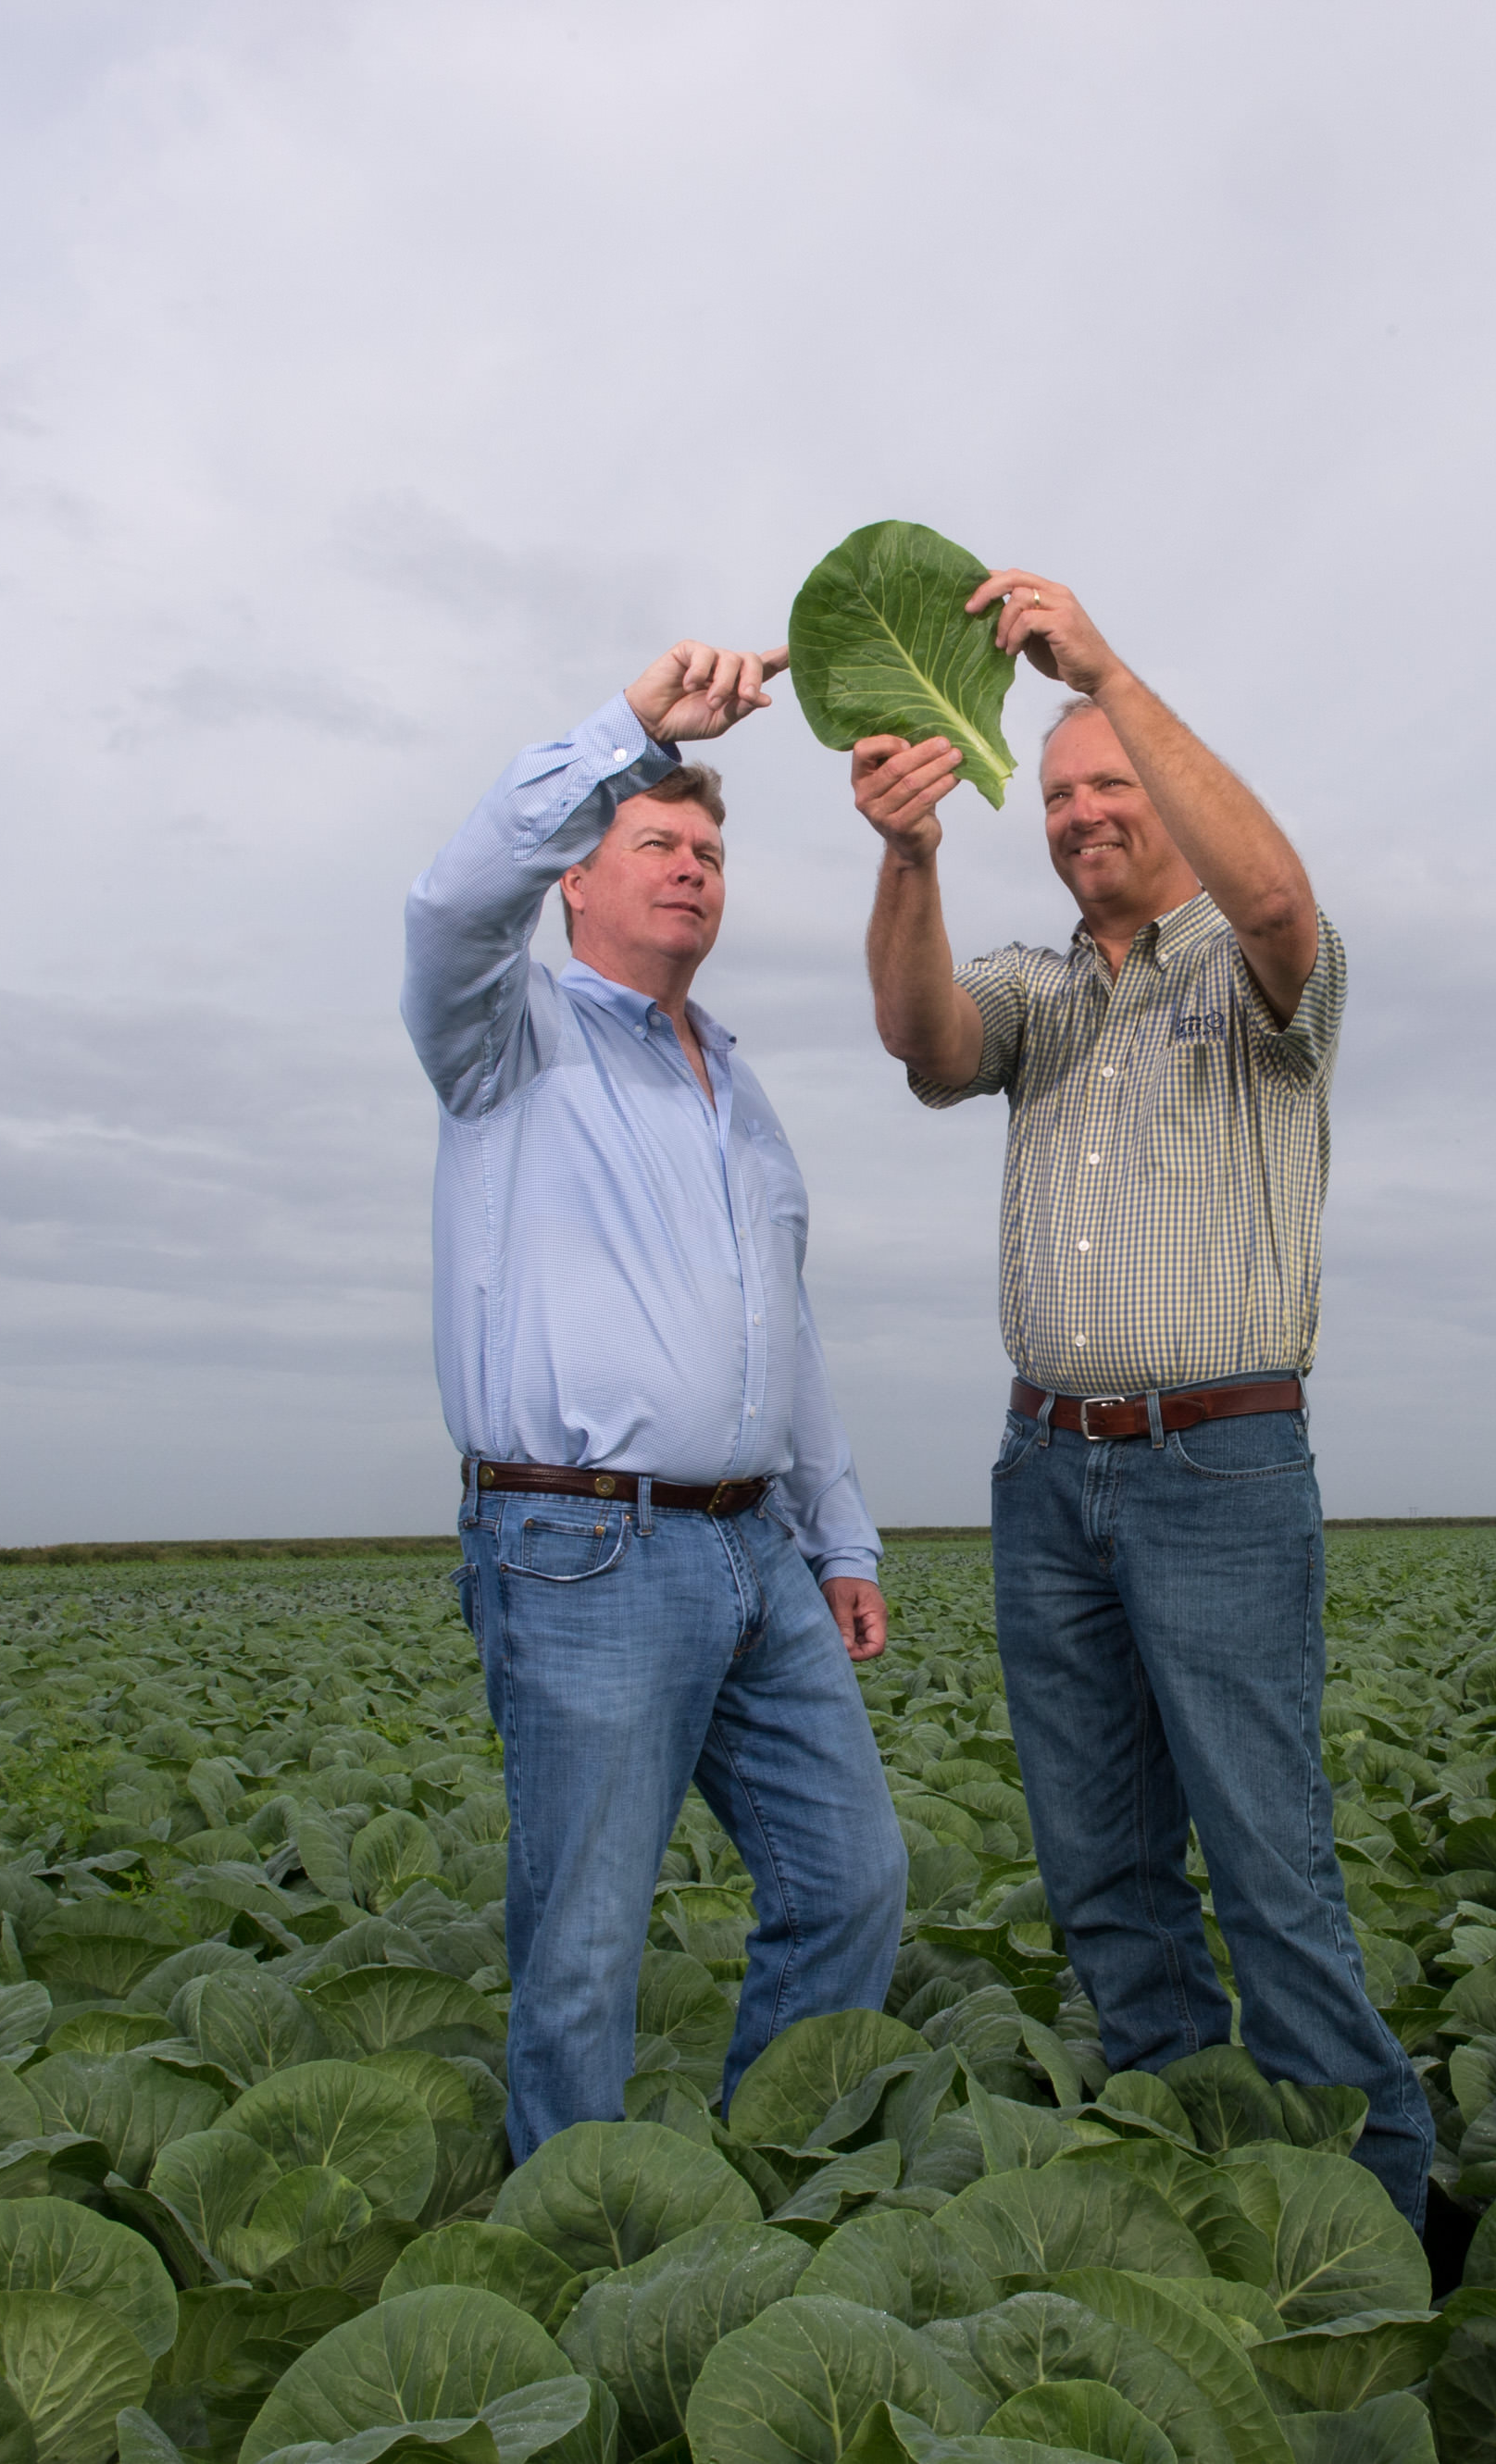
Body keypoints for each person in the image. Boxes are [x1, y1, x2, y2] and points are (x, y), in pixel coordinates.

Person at [852, 569, 1430, 2219]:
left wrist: (1102, 668)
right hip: (1048, 1475)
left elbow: (1277, 897)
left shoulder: (1258, 981)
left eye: (1111, 783)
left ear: (1164, 790)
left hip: (1218, 1470)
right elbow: (923, 1038)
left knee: (1268, 1859)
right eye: (1059, 796)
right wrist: (909, 853)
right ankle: (1185, 2164)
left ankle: (1374, 2208)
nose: (1085, 813)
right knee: (1103, 1868)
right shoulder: (1045, 991)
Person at [405, 638, 907, 2159]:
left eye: (707, 848)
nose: (689, 869)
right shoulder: (510, 1039)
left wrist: (843, 1536)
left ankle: (763, 2179)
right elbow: (448, 905)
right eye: (653, 842)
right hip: (586, 1548)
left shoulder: (735, 1084)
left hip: (756, 1552)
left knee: (852, 1877)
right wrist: (627, 733)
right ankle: (577, 2234)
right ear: (578, 874)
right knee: (584, 1946)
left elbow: (784, 1333)